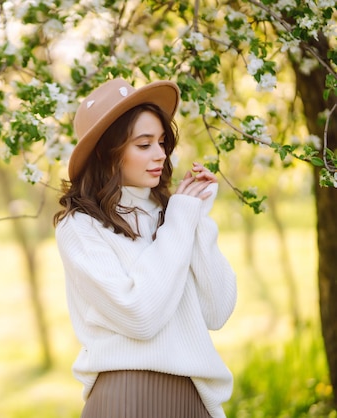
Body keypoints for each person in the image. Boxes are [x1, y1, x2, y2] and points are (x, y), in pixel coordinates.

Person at [53, 78, 237, 418]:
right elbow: (140, 316)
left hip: (194, 398)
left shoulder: (173, 213)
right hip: (127, 397)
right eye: (143, 144)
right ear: (106, 152)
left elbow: (218, 310)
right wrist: (181, 220)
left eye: (162, 142)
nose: (160, 154)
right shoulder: (80, 227)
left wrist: (195, 217)